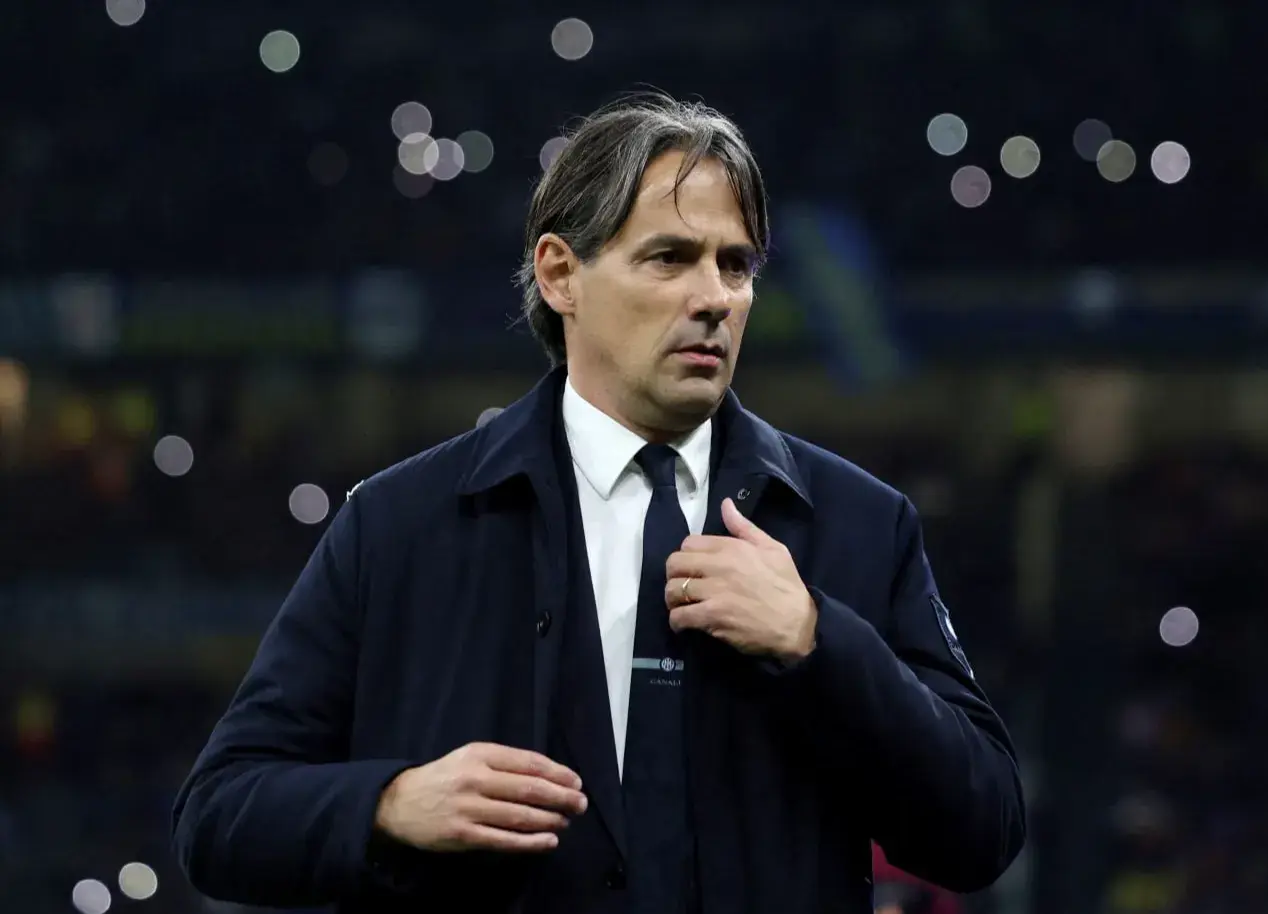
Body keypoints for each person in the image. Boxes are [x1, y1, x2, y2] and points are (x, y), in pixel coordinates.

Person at [171, 92, 1026, 914]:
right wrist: (391, 803)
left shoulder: (859, 524)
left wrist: (817, 638)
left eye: (736, 265)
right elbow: (219, 813)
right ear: (560, 274)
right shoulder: (399, 527)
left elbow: (984, 826)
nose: (714, 298)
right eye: (670, 258)